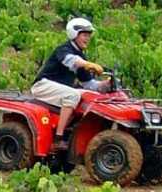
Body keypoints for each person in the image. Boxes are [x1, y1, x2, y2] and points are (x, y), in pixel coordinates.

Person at [31, 17, 110, 149]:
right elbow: (71, 60)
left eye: (89, 35)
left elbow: (89, 84)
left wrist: (105, 85)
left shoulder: (81, 56)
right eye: (84, 35)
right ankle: (58, 138)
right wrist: (88, 64)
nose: (87, 38)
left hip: (59, 89)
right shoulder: (64, 49)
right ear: (74, 34)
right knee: (73, 95)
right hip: (42, 86)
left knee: (88, 95)